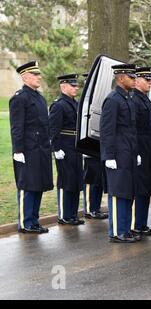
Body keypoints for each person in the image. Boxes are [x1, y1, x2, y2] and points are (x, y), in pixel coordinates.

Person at [9, 61, 53, 234]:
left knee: (38, 185)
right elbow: (17, 127)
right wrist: (18, 150)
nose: (39, 77)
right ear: (25, 77)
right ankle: (25, 222)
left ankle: (34, 221)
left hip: (41, 148)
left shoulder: (39, 98)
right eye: (35, 75)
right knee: (27, 186)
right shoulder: (20, 98)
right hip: (27, 150)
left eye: (39, 74)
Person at [100, 64, 141, 243]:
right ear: (121, 78)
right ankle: (117, 231)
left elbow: (132, 129)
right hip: (117, 154)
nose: (134, 80)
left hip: (129, 152)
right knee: (118, 193)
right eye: (131, 77)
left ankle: (125, 228)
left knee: (128, 191)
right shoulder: (113, 100)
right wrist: (108, 156)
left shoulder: (128, 99)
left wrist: (136, 152)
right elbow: (107, 131)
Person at [49, 74, 84, 226]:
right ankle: (64, 215)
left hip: (75, 146)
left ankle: (72, 214)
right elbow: (53, 129)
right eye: (72, 85)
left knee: (76, 181)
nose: (76, 88)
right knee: (65, 180)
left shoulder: (75, 104)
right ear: (63, 87)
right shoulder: (59, 105)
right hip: (64, 147)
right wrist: (56, 149)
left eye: (76, 85)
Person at [130, 66, 151, 237]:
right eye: (146, 80)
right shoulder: (134, 100)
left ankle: (142, 223)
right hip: (139, 147)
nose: (150, 83)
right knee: (138, 188)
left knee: (146, 188)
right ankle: (135, 224)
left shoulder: (145, 99)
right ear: (137, 81)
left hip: (148, 148)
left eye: (150, 80)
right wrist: (136, 151)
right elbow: (132, 128)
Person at [81, 73, 107, 220]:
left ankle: (95, 208)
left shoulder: (97, 100)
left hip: (98, 143)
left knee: (98, 179)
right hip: (89, 145)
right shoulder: (85, 102)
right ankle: (90, 208)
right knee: (91, 178)